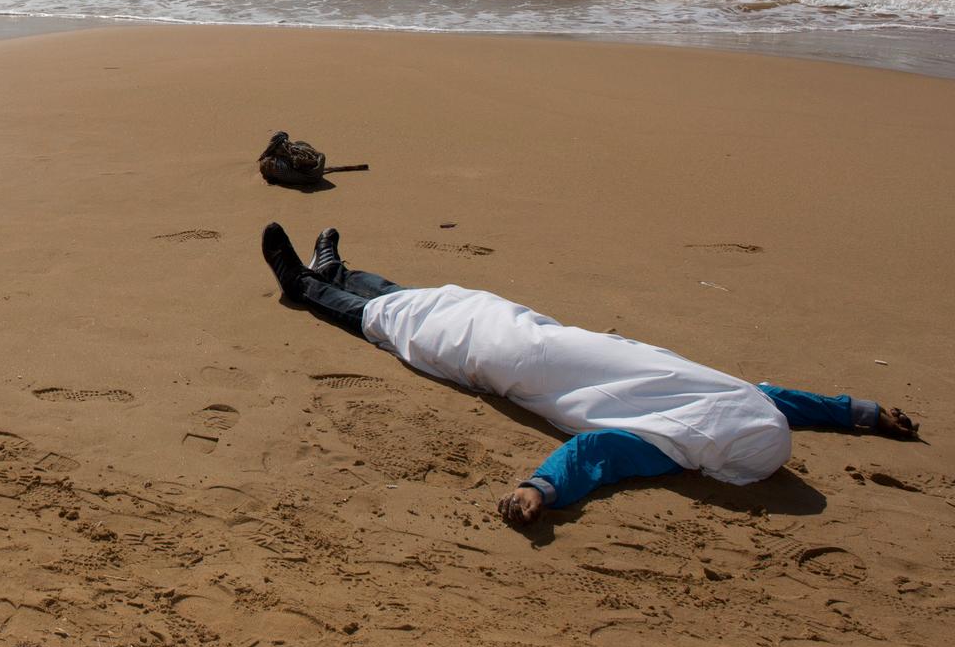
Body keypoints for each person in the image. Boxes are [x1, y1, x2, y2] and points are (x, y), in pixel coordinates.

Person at [260, 222, 920, 527]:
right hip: (548, 342)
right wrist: (859, 413)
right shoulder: (718, 415)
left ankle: (306, 286)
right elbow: (783, 402)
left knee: (432, 325)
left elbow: (598, 453)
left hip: (527, 360)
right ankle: (337, 273)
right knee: (449, 307)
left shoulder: (685, 429)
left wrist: (540, 489)